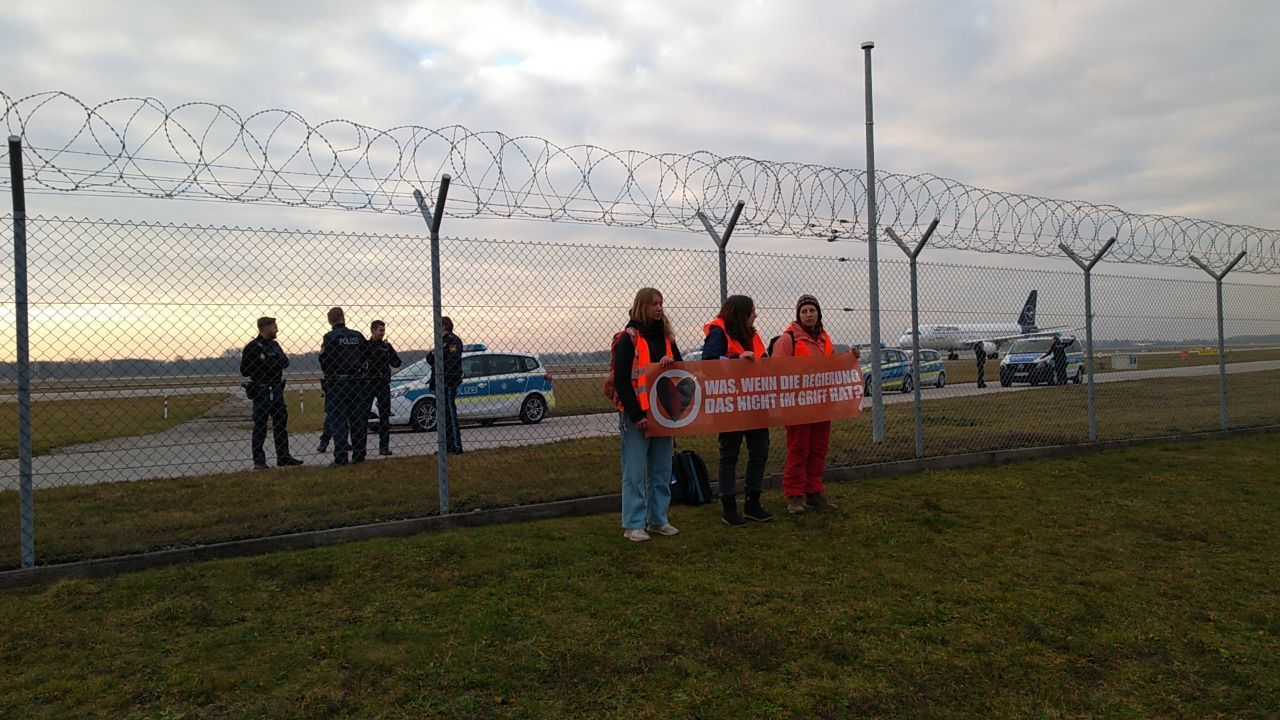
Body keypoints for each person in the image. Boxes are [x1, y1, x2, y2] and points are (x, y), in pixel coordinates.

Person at [771, 294, 854, 514]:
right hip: (798, 407)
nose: (809, 315)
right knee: (799, 449)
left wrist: (850, 359)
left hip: (821, 405)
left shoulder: (824, 339)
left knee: (818, 449)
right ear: (798, 315)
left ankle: (814, 491)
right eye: (805, 311)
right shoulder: (788, 339)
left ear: (818, 313)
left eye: (812, 311)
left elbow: (834, 366)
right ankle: (795, 495)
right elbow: (778, 371)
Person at [612, 288, 682, 541]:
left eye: (661, 303)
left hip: (663, 414)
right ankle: (633, 524)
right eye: (654, 304)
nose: (659, 308)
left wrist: (671, 361)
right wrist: (636, 414)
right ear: (642, 306)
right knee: (634, 471)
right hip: (636, 416)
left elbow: (681, 371)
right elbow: (622, 379)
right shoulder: (628, 339)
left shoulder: (667, 339)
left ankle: (658, 519)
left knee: (661, 469)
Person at [702, 294, 774, 527]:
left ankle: (753, 502)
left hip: (755, 403)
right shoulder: (718, 333)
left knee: (760, 451)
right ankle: (729, 507)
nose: (756, 315)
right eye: (753, 311)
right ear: (741, 313)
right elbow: (708, 363)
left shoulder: (753, 335)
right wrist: (735, 359)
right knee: (730, 455)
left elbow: (763, 360)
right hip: (730, 405)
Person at [239, 316, 303, 470]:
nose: (277, 329)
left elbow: (285, 362)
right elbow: (245, 371)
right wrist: (265, 362)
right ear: (265, 327)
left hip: (276, 389)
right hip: (261, 390)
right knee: (260, 426)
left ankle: (283, 456)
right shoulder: (252, 347)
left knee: (281, 423)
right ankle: (259, 461)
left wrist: (265, 360)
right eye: (274, 327)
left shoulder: (275, 345)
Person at [319, 307, 369, 468]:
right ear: (343, 318)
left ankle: (341, 458)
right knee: (358, 420)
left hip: (338, 383)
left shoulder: (330, 337)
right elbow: (368, 354)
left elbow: (324, 360)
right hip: (357, 382)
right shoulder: (357, 335)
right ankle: (359, 455)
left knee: (338, 421)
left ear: (330, 320)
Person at [425, 316, 464, 454]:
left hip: (448, 381)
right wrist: (434, 355)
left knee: (450, 414)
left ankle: (455, 447)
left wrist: (438, 355)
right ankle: (445, 447)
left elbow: (452, 360)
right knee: (442, 416)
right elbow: (430, 359)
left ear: (445, 326)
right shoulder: (440, 341)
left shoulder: (453, 340)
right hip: (438, 382)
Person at [367, 320, 403, 456]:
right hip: (369, 384)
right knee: (364, 415)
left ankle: (384, 447)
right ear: (373, 331)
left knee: (384, 417)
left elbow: (397, 363)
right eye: (380, 331)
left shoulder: (386, 346)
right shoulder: (366, 346)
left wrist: (390, 354)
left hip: (383, 384)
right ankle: (360, 448)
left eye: (383, 331)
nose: (382, 333)